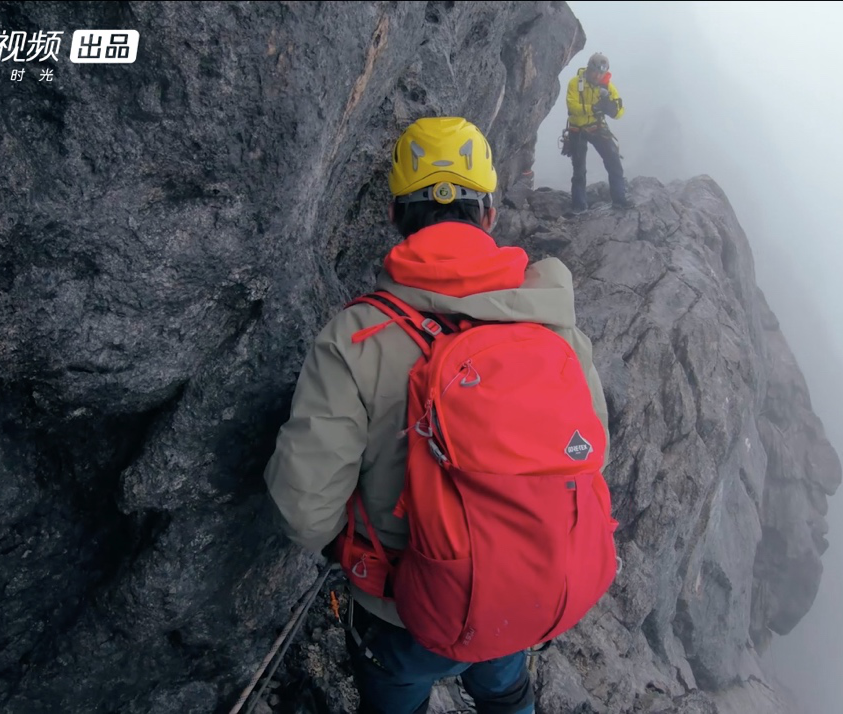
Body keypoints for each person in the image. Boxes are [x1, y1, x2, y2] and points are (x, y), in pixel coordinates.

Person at [263, 116, 612, 714]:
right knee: (505, 691)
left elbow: (303, 505)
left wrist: (373, 571)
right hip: (521, 594)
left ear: (398, 216)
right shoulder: (555, 328)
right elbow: (593, 450)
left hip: (404, 611)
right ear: (489, 215)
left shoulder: (356, 337)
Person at [562, 52, 629, 211]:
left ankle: (619, 200)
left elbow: (619, 113)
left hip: (596, 128)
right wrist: (594, 108)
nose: (598, 76)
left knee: (614, 162)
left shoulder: (607, 87)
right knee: (579, 170)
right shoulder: (575, 83)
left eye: (601, 73)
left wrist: (611, 106)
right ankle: (579, 206)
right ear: (589, 68)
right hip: (577, 130)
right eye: (595, 71)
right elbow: (572, 107)